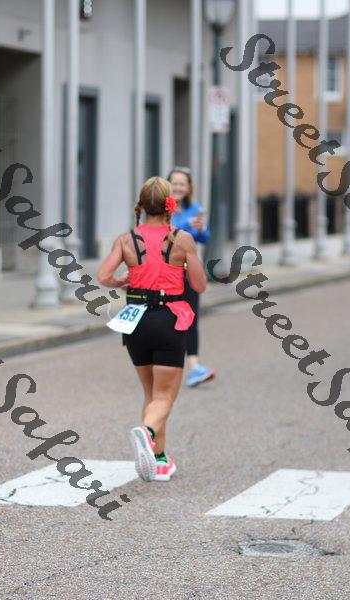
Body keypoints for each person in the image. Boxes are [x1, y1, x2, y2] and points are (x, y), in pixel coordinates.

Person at [98, 176, 206, 482]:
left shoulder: (126, 239)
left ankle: (158, 459)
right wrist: (180, 267)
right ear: (170, 205)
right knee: (165, 396)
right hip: (169, 319)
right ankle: (146, 432)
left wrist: (122, 281)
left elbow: (104, 276)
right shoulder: (182, 239)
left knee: (151, 394)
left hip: (135, 322)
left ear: (142, 206)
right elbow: (199, 284)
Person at [167, 166, 215, 387]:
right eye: (174, 183)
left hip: (190, 274)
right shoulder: (160, 208)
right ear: (168, 185)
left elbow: (204, 238)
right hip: (167, 276)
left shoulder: (194, 208)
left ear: (188, 187)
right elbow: (165, 235)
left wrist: (202, 228)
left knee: (191, 320)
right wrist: (187, 225)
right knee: (167, 321)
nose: (178, 187)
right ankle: (165, 366)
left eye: (182, 184)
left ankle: (194, 368)